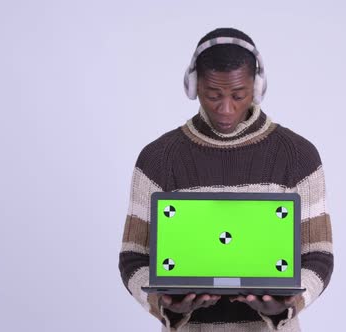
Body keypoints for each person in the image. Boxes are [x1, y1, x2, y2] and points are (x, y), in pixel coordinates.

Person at [119, 27, 334, 331]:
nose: (225, 109)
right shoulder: (158, 158)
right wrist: (164, 304)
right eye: (213, 95)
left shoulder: (298, 156)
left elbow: (319, 256)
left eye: (238, 95)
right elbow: (132, 258)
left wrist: (287, 305)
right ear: (194, 86)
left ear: (257, 87)